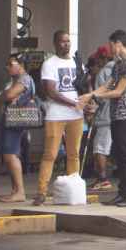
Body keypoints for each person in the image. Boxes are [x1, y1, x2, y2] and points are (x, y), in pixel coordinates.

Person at [79, 30, 126, 207]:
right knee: (119, 155)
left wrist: (93, 95)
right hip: (114, 115)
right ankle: (123, 192)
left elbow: (118, 91)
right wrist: (90, 95)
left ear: (119, 44)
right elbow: (107, 86)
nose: (110, 48)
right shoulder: (118, 64)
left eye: (111, 45)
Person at [34, 30, 84, 205]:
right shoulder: (49, 63)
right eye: (62, 41)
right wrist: (72, 103)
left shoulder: (77, 62)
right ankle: (41, 192)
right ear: (55, 43)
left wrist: (89, 101)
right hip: (55, 114)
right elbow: (50, 90)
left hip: (76, 115)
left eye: (68, 41)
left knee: (74, 154)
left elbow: (83, 86)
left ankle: (73, 191)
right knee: (50, 154)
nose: (66, 44)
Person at [0, 54, 36, 202]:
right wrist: (3, 97)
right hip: (11, 121)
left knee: (10, 155)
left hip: (15, 121)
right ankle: (15, 190)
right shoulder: (15, 80)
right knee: (9, 154)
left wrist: (0, 97)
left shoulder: (24, 79)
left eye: (10, 64)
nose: (7, 67)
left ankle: (20, 192)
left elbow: (10, 94)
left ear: (21, 65)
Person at [86, 46, 116, 192]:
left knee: (99, 148)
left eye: (98, 59)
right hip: (119, 117)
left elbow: (99, 98)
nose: (96, 62)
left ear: (103, 59)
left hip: (105, 117)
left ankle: (102, 179)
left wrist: (91, 112)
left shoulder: (103, 73)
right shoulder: (120, 70)